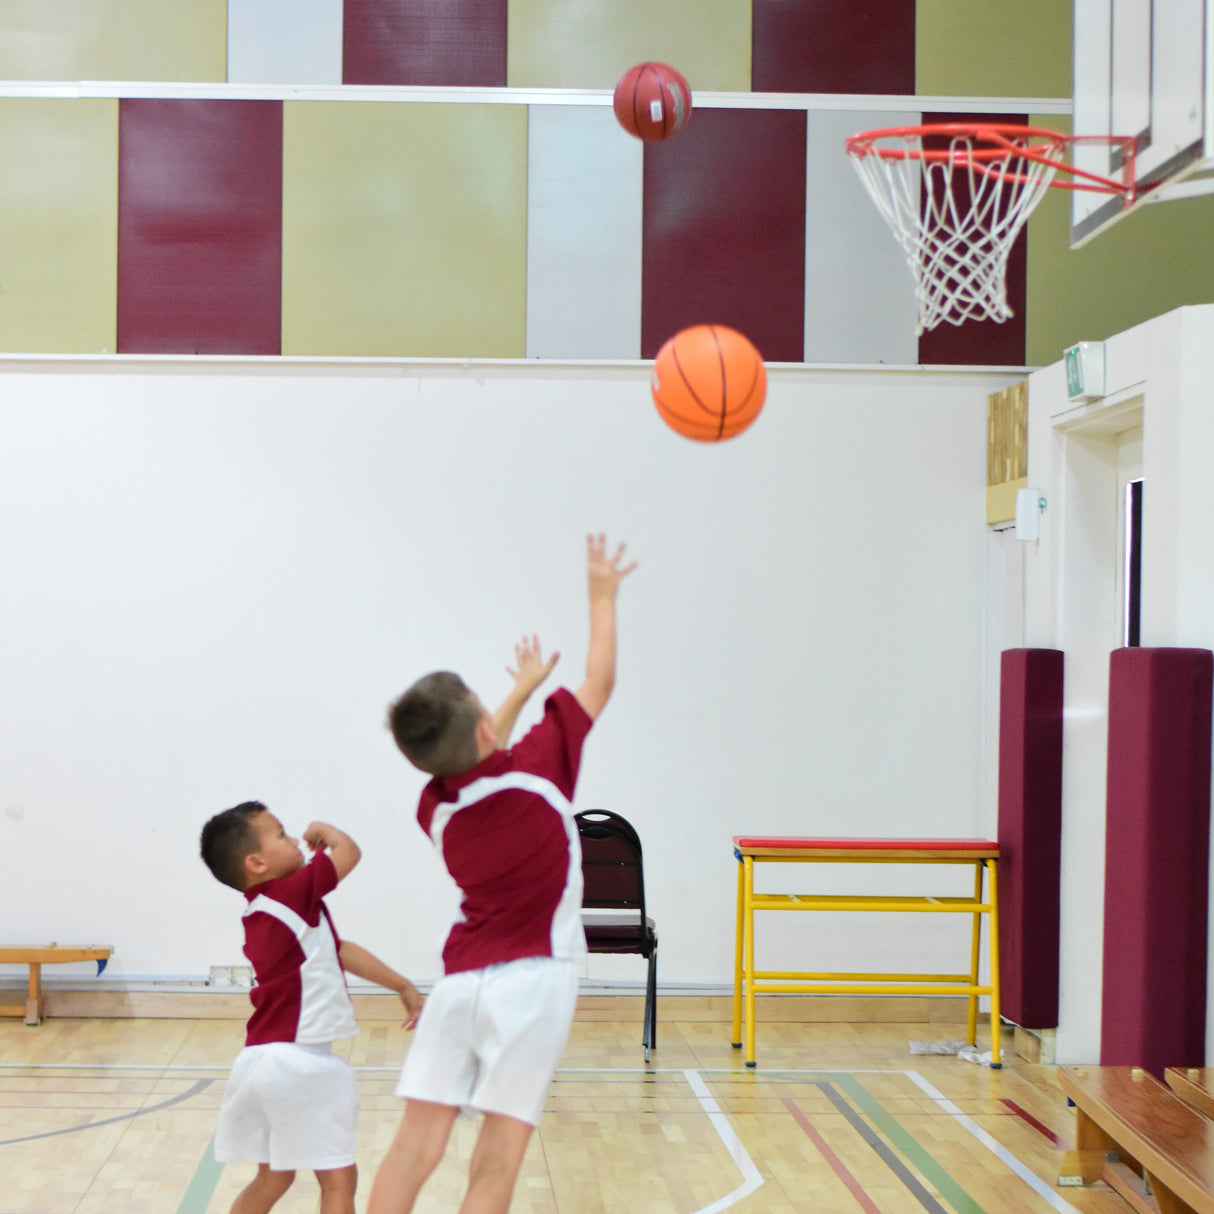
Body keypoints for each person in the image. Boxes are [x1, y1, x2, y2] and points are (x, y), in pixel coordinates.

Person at [368, 532, 637, 1214]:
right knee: (499, 1154)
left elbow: (478, 756)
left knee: (414, 1145)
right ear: (488, 729)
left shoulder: (434, 809)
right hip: (535, 981)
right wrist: (601, 597)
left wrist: (515, 692)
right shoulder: (541, 770)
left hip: (459, 982)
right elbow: (598, 683)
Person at [199, 802, 424, 1214]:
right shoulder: (292, 892)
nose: (293, 839)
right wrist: (325, 832)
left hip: (259, 1062)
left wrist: (401, 984)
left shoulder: (270, 912)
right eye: (281, 834)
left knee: (273, 1177)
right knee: (338, 1182)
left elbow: (337, 950)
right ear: (257, 862)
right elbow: (349, 851)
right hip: (299, 1062)